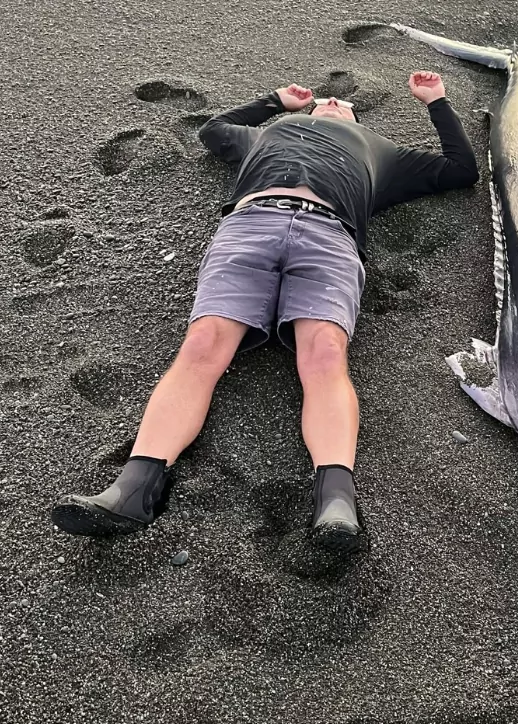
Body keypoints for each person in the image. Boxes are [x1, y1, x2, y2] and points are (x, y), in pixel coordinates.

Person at [52, 71, 479, 551]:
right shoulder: (268, 132)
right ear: (309, 110)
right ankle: (133, 490)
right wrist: (274, 102)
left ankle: (336, 500)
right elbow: (213, 131)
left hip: (330, 236)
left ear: (356, 117)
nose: (334, 100)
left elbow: (462, 169)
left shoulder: (382, 151)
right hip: (250, 224)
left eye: (342, 102)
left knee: (324, 353)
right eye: (325, 99)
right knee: (202, 344)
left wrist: (436, 101)